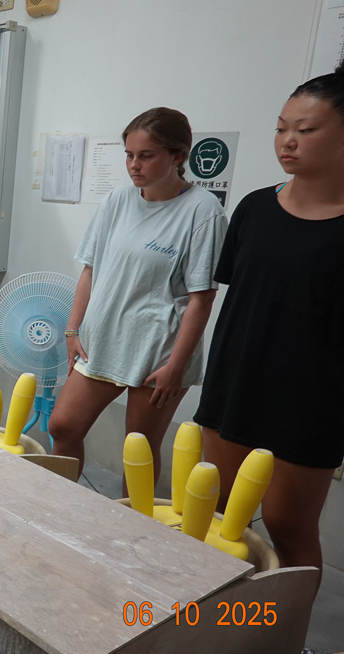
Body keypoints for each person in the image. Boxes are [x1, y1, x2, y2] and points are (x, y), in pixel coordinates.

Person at [194, 67, 344, 599]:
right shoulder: (255, 207)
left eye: (306, 130)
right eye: (281, 128)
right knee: (213, 511)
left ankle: (286, 634)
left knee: (288, 526)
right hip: (235, 385)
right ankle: (211, 625)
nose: (287, 141)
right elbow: (241, 298)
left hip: (310, 403)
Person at [48, 108, 227, 481]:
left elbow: (202, 298)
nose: (134, 165)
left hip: (160, 350)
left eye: (146, 155)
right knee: (62, 426)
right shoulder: (118, 199)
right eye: (129, 155)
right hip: (102, 340)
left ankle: (131, 518)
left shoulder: (203, 210)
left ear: (177, 156)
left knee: (139, 449)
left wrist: (176, 367)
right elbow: (90, 270)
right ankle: (61, 508)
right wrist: (72, 330)